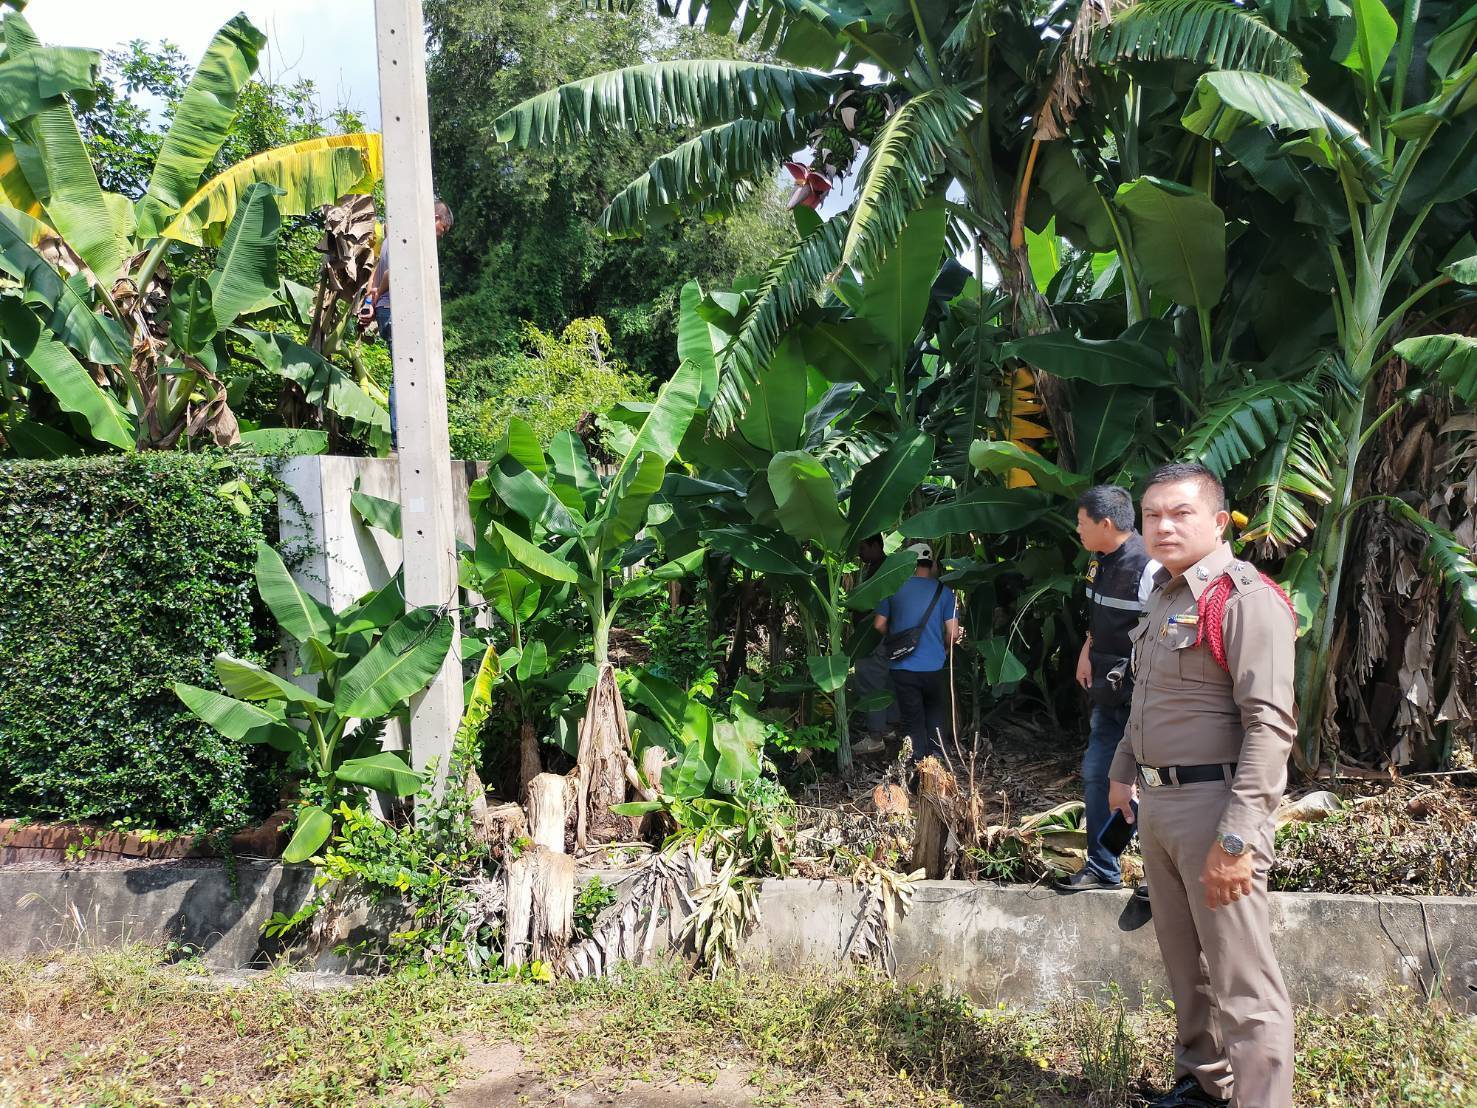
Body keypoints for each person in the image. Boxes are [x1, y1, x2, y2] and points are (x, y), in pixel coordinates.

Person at [1107, 462, 1296, 1108]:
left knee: (1243, 983)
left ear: (1217, 522)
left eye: (1178, 513)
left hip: (1213, 808)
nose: (1162, 525)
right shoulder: (1163, 594)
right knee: (1184, 968)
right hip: (1159, 807)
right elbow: (1147, 696)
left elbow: (1268, 728)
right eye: (1151, 513)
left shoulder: (1244, 600)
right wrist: (1121, 773)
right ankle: (1204, 1086)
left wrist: (1237, 837)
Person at [1057, 485, 1159, 894]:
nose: (1077, 530)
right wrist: (1087, 649)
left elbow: (1162, 631)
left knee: (1154, 784)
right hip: (1106, 689)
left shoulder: (1149, 566)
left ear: (1106, 523)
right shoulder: (1098, 562)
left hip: (1144, 695)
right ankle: (1103, 865)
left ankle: (1160, 878)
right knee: (1099, 775)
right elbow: (1099, 616)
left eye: (1082, 523)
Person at [358, 198, 454, 449]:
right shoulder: (410, 237)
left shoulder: (394, 235)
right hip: (395, 311)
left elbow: (377, 272)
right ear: (434, 219)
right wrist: (378, 292)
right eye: (441, 232)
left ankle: (405, 437)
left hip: (384, 311)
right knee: (406, 375)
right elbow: (392, 274)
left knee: (406, 373)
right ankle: (403, 439)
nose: (438, 238)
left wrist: (370, 300)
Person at [873, 543, 962, 768]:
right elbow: (953, 633)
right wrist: (942, 649)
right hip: (933, 666)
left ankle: (917, 766)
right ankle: (937, 762)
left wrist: (896, 639)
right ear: (931, 564)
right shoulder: (944, 592)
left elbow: (878, 624)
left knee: (913, 721)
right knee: (935, 714)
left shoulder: (893, 588)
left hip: (902, 668)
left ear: (909, 564)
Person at [850, 535, 896, 757]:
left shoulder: (883, 570)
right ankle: (887, 728)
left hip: (874, 636)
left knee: (871, 682)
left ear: (876, 545)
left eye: (862, 547)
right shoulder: (878, 567)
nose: (859, 553)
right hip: (881, 636)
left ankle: (876, 736)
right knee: (884, 680)